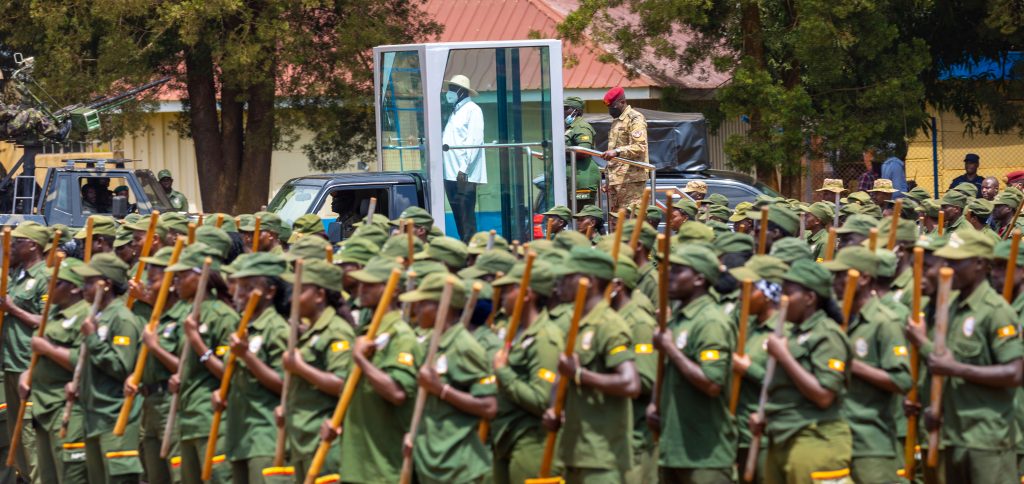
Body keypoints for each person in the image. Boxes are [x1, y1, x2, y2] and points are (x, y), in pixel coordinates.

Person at [911, 229, 1024, 482]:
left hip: (986, 441)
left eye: (955, 262)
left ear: (981, 264)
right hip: (952, 434)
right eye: (946, 261)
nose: (946, 268)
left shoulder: (996, 312)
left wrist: (955, 369)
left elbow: (1015, 372)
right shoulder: (949, 307)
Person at [751, 260, 853, 484]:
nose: (781, 299)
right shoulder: (794, 334)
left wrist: (785, 357)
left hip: (814, 439)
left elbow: (824, 395)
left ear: (809, 298)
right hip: (781, 435)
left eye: (789, 293)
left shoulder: (827, 335)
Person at [544, 247, 639, 483]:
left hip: (602, 456)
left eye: (568, 277)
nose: (561, 283)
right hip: (575, 450)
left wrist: (579, 374)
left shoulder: (609, 324)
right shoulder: (576, 322)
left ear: (591, 281)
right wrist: (554, 409)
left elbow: (630, 383)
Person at [822, 247, 911, 483]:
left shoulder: (884, 323)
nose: (835, 282)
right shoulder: (835, 320)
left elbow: (902, 380)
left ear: (863, 278)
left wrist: (852, 365)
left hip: (871, 443)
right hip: (835, 436)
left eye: (842, 275)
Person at [648, 244, 735, 483]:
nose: (669, 275)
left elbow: (712, 383)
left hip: (704, 456)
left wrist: (671, 349)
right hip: (674, 449)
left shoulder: (710, 322)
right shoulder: (678, 318)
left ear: (699, 279)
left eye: (678, 271)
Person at [400, 272, 498, 484]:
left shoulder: (464, 347)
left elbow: (489, 406)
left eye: (422, 304)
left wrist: (441, 390)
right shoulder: (428, 343)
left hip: (457, 465)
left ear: (441, 307)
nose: (415, 311)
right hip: (429, 460)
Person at [71, 254, 146, 483]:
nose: (83, 287)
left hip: (114, 418)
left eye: (89, 282)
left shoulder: (122, 319)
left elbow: (121, 366)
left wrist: (93, 339)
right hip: (93, 415)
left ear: (107, 284)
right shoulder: (98, 316)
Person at [215, 253, 289, 481]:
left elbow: (284, 385)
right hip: (239, 433)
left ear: (269, 292)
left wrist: (247, 356)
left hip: (265, 436)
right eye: (240, 287)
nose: (241, 295)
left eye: (249, 288)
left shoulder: (276, 329)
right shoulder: (242, 327)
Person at [490, 260, 564, 484]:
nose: (502, 295)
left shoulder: (545, 338)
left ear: (526, 294)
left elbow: (543, 400)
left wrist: (503, 373)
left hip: (532, 443)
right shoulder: (514, 332)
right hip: (505, 438)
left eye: (509, 289)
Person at [23, 257, 92, 484]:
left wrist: (48, 348)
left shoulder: (86, 316)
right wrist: (26, 377)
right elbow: (37, 358)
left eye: (57, 283)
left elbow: (87, 362)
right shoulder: (52, 313)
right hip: (43, 408)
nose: (50, 287)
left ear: (74, 287)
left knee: (71, 476)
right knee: (47, 476)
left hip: (68, 409)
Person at [0, 221, 52, 479]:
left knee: (30, 434)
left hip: (28, 365)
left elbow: (47, 322)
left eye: (18, 242)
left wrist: (13, 309)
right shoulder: (16, 275)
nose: (12, 246)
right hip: (10, 362)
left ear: (33, 245)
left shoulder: (45, 277)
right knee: (16, 435)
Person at [441, 74, 486, 242]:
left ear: (462, 91)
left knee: (467, 218)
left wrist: (464, 169)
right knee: (458, 217)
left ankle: (473, 253)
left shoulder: (473, 110)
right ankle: (465, 249)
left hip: (463, 174)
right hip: (449, 173)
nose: (449, 92)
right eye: (449, 88)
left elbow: (474, 141)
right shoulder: (455, 112)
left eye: (453, 88)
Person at [600, 87, 648, 213]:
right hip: (616, 181)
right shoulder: (617, 121)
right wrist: (609, 181)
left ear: (622, 102)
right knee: (616, 223)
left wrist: (617, 151)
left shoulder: (635, 118)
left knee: (630, 221)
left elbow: (640, 147)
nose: (610, 110)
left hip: (631, 181)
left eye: (612, 106)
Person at [564, 97, 600, 207]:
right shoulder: (568, 127)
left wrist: (560, 151)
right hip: (572, 180)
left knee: (582, 214)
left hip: (582, 181)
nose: (563, 111)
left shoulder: (582, 127)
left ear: (577, 111)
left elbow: (583, 151)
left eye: (566, 108)